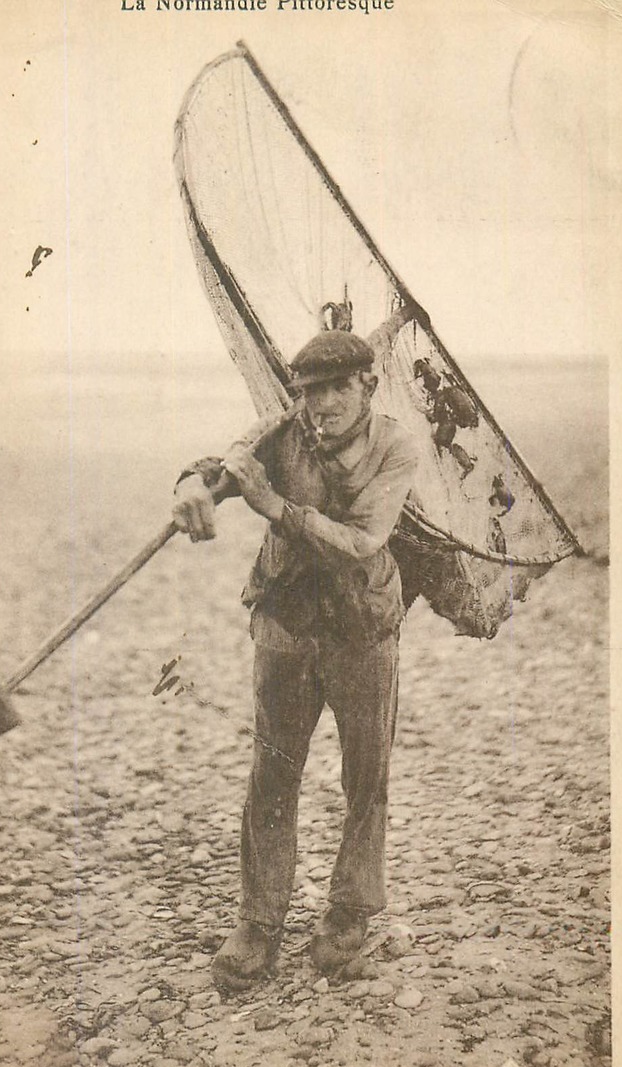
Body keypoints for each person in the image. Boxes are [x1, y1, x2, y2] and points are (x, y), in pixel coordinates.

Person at [172, 308, 422, 990]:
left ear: (369, 386)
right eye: (312, 390)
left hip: (362, 629)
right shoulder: (284, 432)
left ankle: (350, 913)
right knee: (271, 774)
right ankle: (257, 925)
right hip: (285, 623)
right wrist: (193, 487)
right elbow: (224, 467)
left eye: (340, 387)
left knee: (365, 777)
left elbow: (364, 542)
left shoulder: (398, 449)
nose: (325, 403)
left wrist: (276, 508)